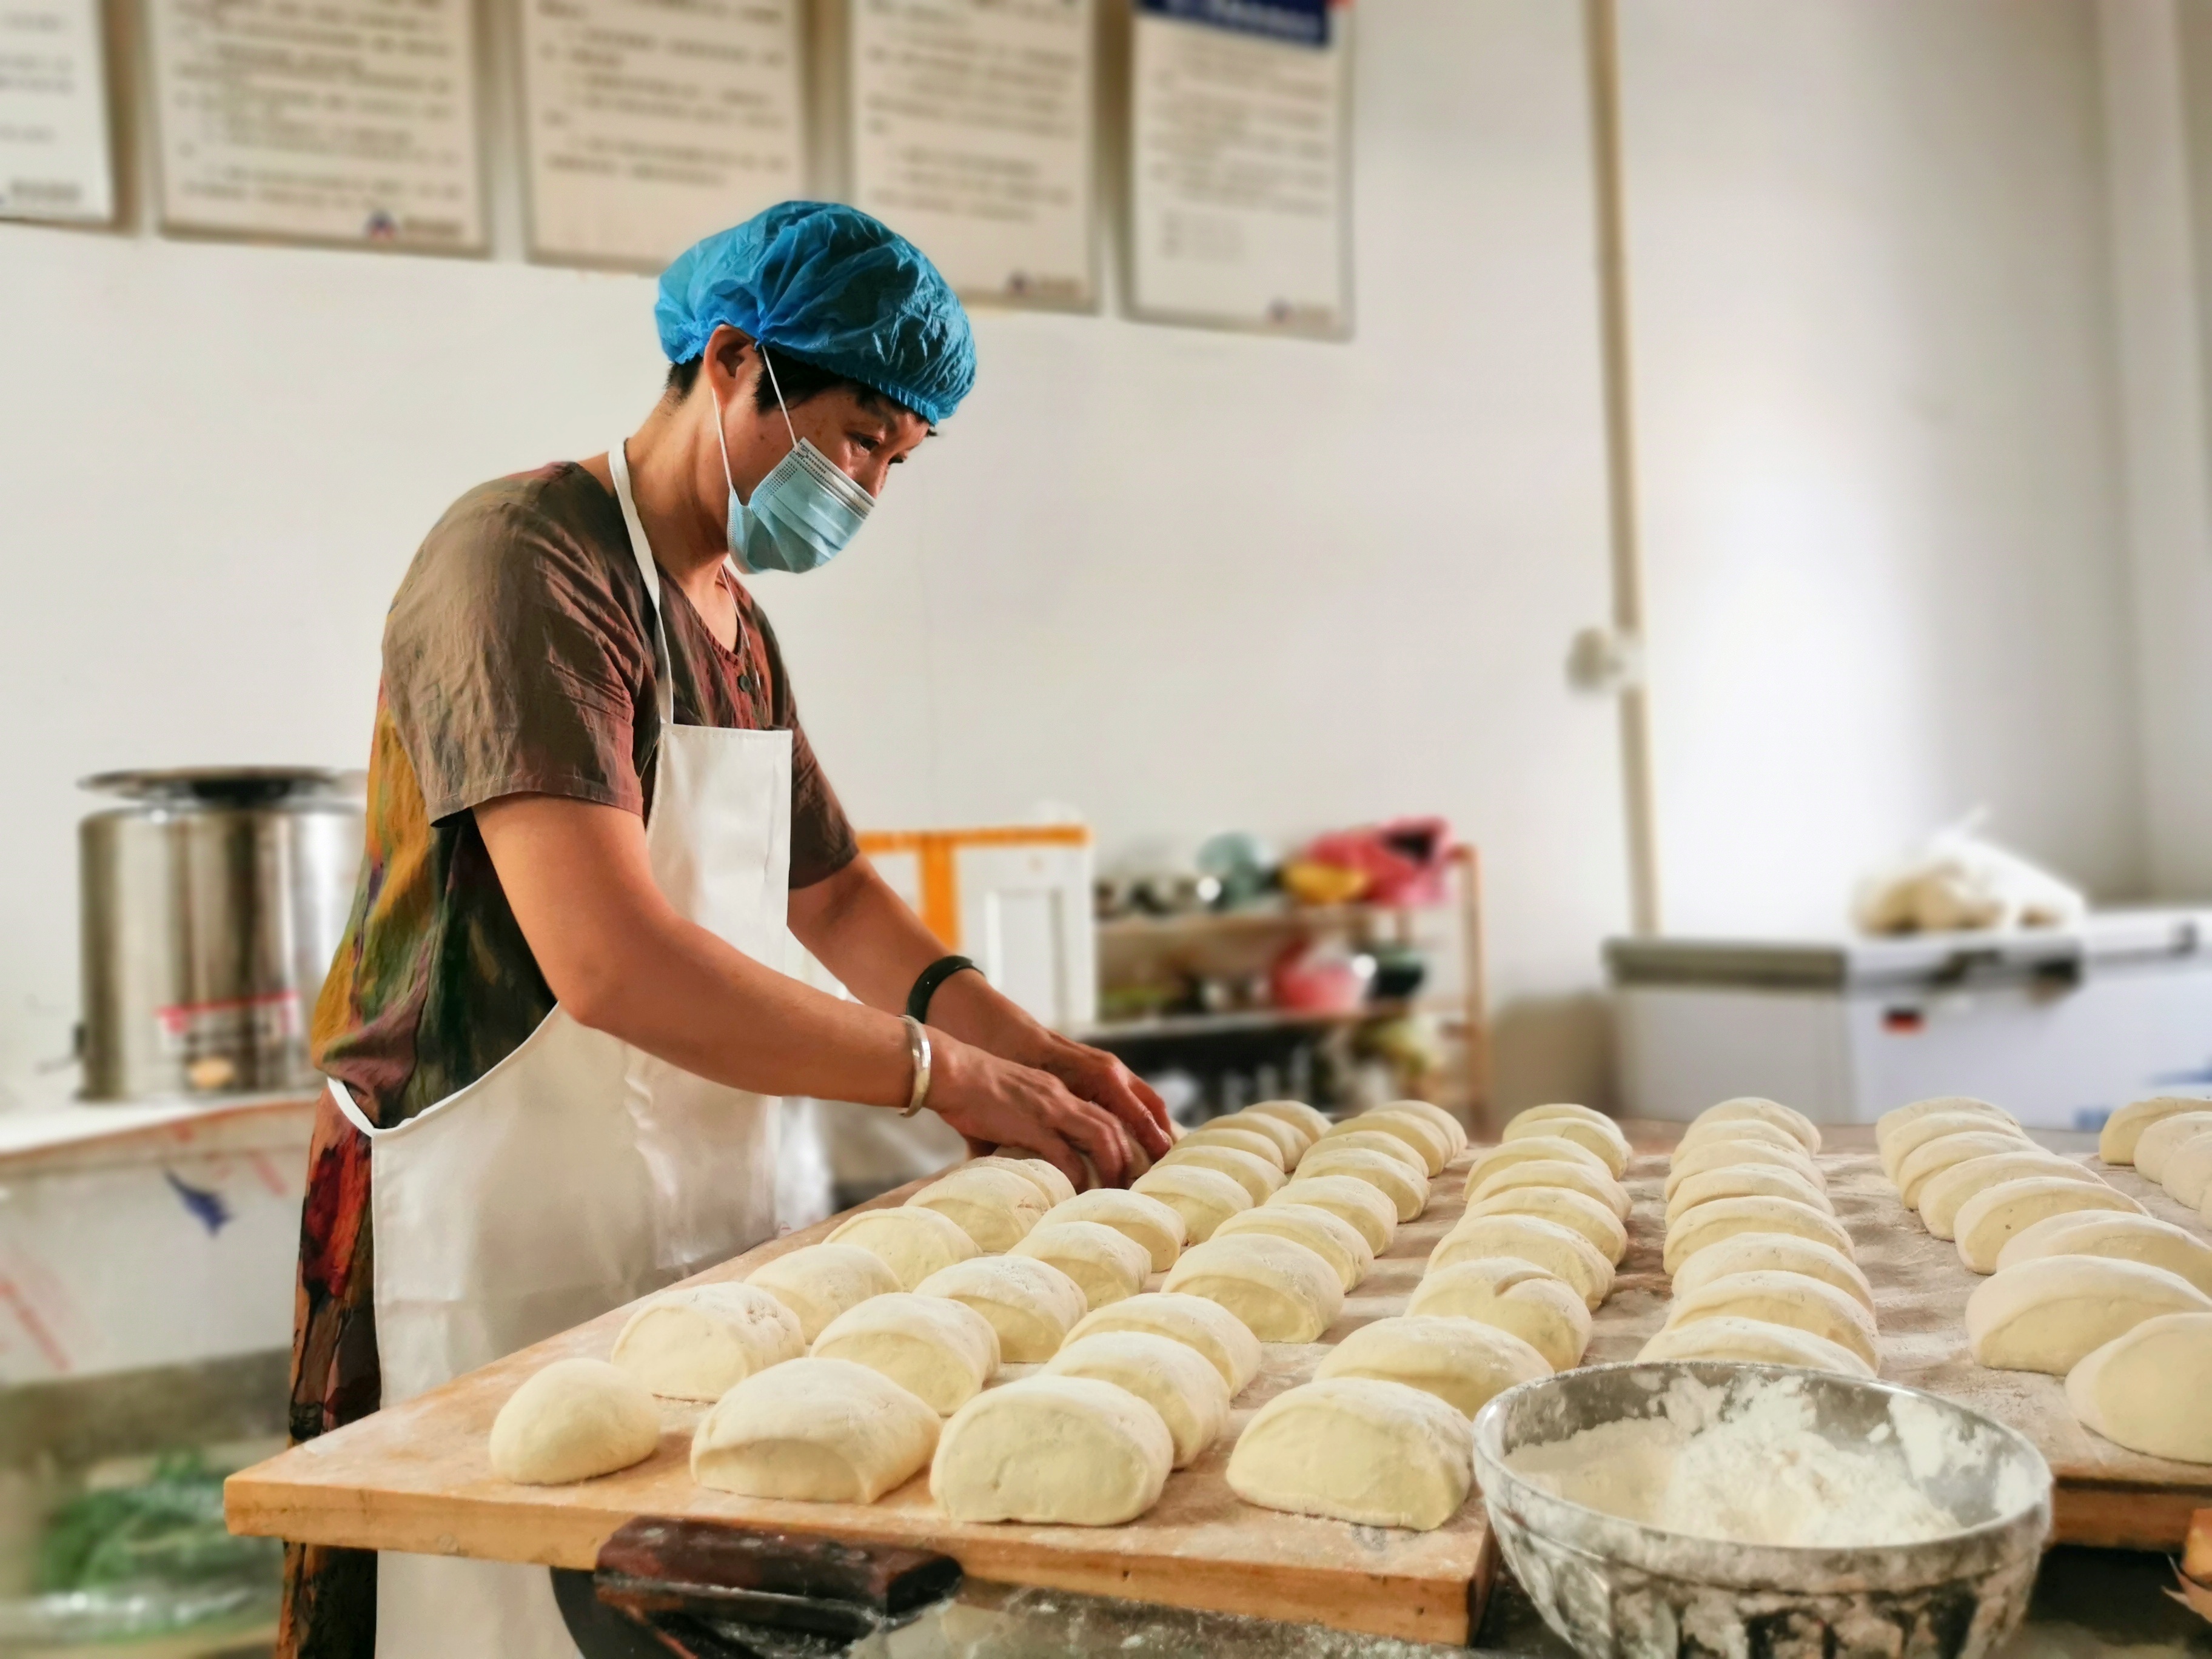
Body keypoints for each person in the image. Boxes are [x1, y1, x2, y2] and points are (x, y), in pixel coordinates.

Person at [282, 201, 1171, 1659]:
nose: (867, 488)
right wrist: (945, 1079)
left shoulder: (733, 621)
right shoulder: (524, 562)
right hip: (500, 1207)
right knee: (495, 1608)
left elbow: (835, 896)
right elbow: (607, 960)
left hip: (690, 1204)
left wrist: (1039, 1056)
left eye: (897, 461)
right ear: (734, 361)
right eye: (858, 439)